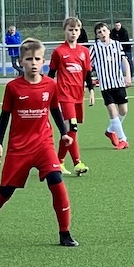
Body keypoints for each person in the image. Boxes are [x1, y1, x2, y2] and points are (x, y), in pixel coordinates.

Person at [0, 38, 78, 248]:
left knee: (57, 181)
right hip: (19, 148)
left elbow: (54, 109)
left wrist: (64, 133)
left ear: (43, 61)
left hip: (43, 144)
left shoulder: (50, 85)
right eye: (29, 59)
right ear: (21, 61)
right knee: (5, 191)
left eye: (37, 59)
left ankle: (65, 233)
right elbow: (4, 116)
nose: (33, 63)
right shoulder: (13, 87)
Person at [46, 17, 95, 175]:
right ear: (64, 31)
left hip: (78, 95)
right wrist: (46, 92)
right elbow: (51, 74)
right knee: (72, 127)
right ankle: (77, 163)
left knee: (68, 130)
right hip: (64, 95)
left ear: (80, 32)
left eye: (76, 30)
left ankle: (58, 161)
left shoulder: (84, 52)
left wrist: (91, 90)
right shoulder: (59, 52)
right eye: (70, 30)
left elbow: (87, 73)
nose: (73, 33)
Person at [87, 22, 131, 149]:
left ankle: (110, 130)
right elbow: (88, 66)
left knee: (124, 110)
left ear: (109, 31)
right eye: (99, 32)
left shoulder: (117, 44)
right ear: (97, 35)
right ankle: (123, 139)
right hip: (105, 85)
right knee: (112, 111)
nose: (102, 33)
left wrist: (128, 76)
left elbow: (124, 60)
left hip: (118, 82)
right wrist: (88, 81)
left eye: (104, 30)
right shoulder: (94, 48)